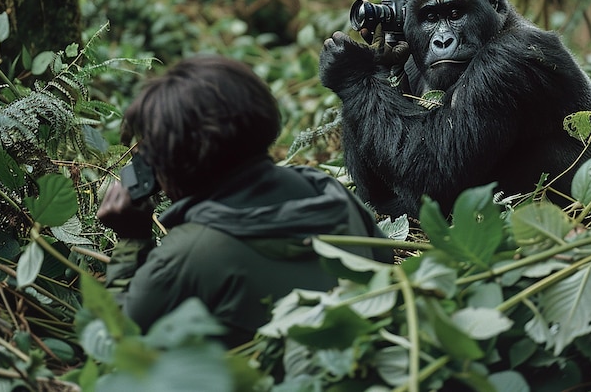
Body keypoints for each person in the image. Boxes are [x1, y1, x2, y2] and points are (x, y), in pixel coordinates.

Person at [97, 55, 392, 348]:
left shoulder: (189, 254)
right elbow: (385, 265)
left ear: (172, 162)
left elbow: (121, 342)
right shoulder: (327, 191)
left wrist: (131, 240)